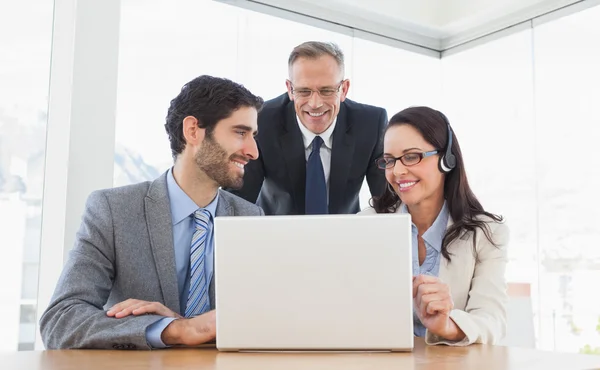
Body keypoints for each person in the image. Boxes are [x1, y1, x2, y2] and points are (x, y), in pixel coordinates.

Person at [39, 75, 265, 349]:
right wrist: (174, 330)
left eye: (253, 136)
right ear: (193, 130)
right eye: (241, 133)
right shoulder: (113, 211)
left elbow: (263, 320)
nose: (252, 151)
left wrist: (193, 327)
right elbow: (61, 321)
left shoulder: (251, 219)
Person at [359, 106, 509, 346]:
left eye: (411, 156)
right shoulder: (366, 225)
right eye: (389, 160)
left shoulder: (486, 233)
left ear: (447, 159)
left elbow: (492, 320)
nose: (397, 171)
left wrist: (447, 326)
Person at [227, 41, 388, 215]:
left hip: (344, 235)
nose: (315, 104)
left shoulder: (371, 124)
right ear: (290, 89)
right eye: (304, 91)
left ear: (344, 89)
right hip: (275, 233)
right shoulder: (262, 121)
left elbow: (387, 202)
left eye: (326, 91)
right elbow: (237, 202)